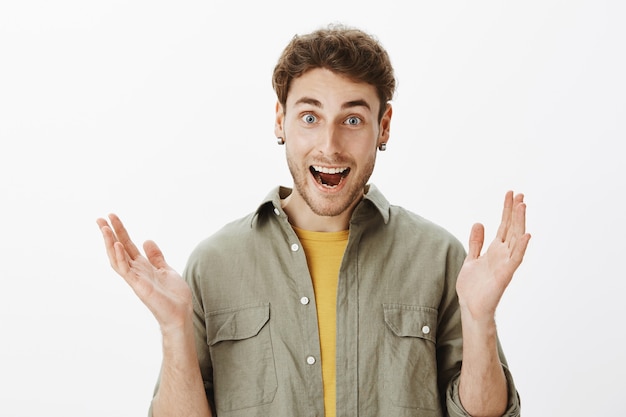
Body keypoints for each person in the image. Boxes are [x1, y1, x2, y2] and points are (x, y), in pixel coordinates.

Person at [97, 24, 530, 417]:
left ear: (384, 127)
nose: (330, 144)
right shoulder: (214, 265)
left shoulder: (439, 258)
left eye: (353, 120)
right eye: (310, 117)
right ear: (280, 120)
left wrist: (479, 320)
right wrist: (174, 329)